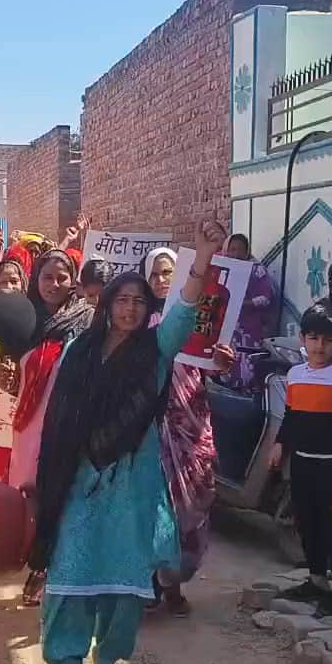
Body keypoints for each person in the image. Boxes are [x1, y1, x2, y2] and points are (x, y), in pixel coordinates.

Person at [32, 220, 228, 664]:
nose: (130, 308)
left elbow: (184, 309)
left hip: (133, 480)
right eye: (122, 299)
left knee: (124, 582)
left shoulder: (157, 350)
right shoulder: (79, 350)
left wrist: (201, 258)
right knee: (70, 572)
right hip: (80, 477)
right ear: (106, 304)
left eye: (139, 301)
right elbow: (58, 417)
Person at [138, 248, 235, 618]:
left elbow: (212, 371)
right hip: (151, 431)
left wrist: (222, 363)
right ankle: (149, 585)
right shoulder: (139, 321)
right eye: (156, 275)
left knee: (192, 503)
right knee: (153, 508)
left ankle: (174, 582)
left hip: (191, 428)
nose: (163, 280)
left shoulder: (199, 318)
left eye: (169, 273)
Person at [9, 249, 94, 607]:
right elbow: (13, 371)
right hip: (31, 423)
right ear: (36, 279)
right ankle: (37, 558)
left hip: (71, 421)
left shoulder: (88, 320)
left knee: (64, 493)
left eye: (62, 277)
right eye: (47, 277)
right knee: (34, 495)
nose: (54, 284)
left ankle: (48, 570)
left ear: (73, 281)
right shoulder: (24, 320)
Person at [268, 303, 332, 614]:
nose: (319, 346)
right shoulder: (295, 375)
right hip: (303, 461)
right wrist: (280, 444)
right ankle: (316, 579)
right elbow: (291, 415)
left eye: (327, 340)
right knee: (307, 522)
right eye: (313, 338)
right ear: (303, 339)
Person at [221, 234, 278, 394]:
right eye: (231, 249)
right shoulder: (224, 270)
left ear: (247, 252)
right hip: (229, 332)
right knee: (229, 365)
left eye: (239, 249)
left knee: (250, 369)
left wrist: (242, 303)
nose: (235, 254)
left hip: (251, 332)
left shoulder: (257, 271)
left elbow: (266, 299)